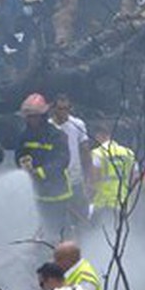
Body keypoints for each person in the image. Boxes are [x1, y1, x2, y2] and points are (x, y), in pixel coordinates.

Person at [15, 93, 72, 239]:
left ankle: (61, 254)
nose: (30, 120)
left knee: (58, 232)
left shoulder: (56, 135)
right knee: (39, 231)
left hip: (57, 195)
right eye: (28, 117)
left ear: (42, 116)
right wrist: (23, 164)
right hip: (35, 193)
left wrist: (40, 172)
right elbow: (19, 156)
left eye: (34, 116)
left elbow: (62, 161)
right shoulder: (24, 136)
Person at [49, 95, 92, 224]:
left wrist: (88, 177)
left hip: (75, 179)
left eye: (66, 108)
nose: (64, 112)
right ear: (54, 109)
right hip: (55, 180)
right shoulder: (48, 126)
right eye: (60, 108)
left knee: (80, 214)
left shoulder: (77, 124)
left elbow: (85, 150)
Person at [89, 122, 138, 223]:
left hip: (104, 202)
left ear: (99, 135)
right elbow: (135, 178)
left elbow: (94, 178)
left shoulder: (97, 154)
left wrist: (89, 196)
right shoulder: (129, 153)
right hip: (123, 201)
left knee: (101, 233)